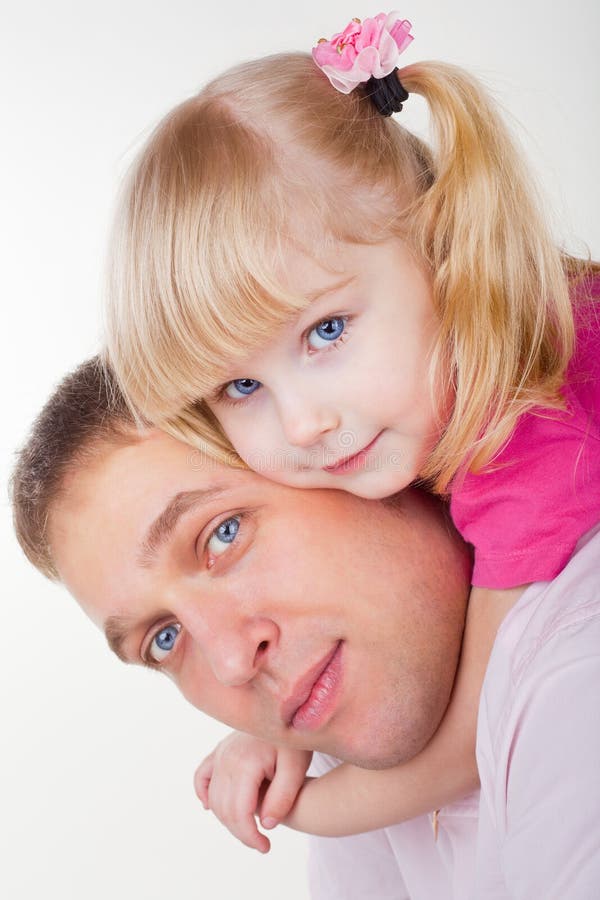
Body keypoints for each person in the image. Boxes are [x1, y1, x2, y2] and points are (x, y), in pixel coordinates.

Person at [102, 13, 600, 843]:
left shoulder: (531, 431)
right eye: (242, 385)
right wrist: (286, 730)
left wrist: (307, 807)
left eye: (326, 332)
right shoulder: (427, 404)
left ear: (439, 243)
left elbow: (470, 740)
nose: (304, 423)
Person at [10, 357, 600, 899]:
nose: (232, 663)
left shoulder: (573, 673)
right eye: (165, 638)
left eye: (223, 535)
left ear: (347, 451)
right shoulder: (351, 723)